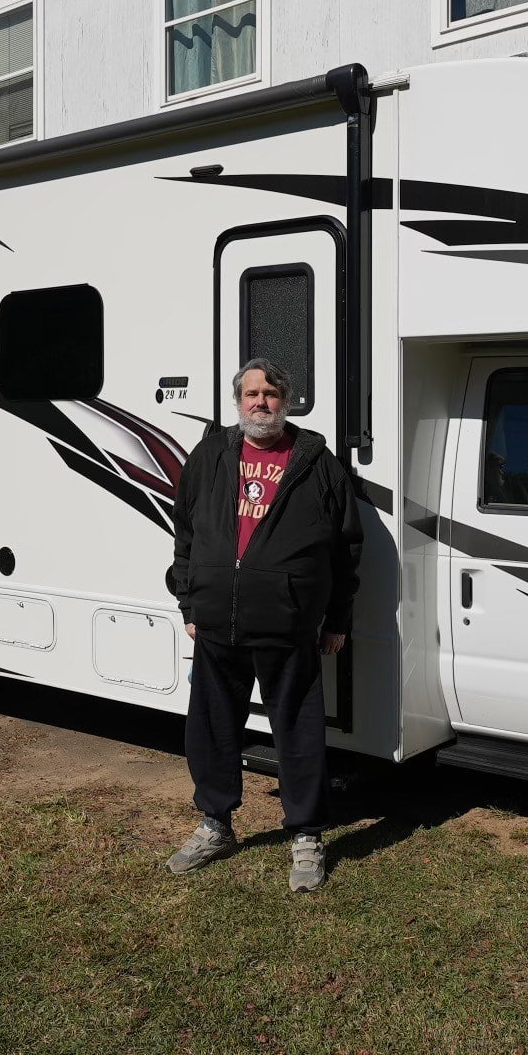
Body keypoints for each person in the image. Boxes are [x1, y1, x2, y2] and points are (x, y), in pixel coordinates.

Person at [165, 358, 362, 892]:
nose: (261, 402)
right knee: (211, 730)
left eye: (271, 393)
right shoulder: (209, 456)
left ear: (287, 399)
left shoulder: (318, 462)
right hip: (216, 623)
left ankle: (306, 835)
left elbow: (346, 551)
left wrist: (337, 618)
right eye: (251, 393)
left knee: (296, 735)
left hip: (288, 624)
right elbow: (185, 532)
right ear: (237, 402)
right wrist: (189, 601)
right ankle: (215, 823)